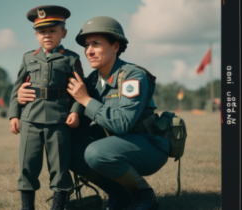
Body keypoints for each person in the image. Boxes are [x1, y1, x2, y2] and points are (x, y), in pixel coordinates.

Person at [17, 16, 169, 210]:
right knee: (65, 146)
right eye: (87, 45)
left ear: (115, 46)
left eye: (96, 44)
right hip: (116, 145)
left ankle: (144, 196)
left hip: (147, 145)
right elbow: (67, 110)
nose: (89, 51)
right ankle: (119, 193)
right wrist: (27, 96)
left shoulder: (132, 75)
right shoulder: (91, 81)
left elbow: (122, 124)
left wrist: (85, 99)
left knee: (96, 152)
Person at [8, 5, 84, 210]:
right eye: (42, 31)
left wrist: (76, 111)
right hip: (30, 119)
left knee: (59, 166)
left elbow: (80, 89)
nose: (47, 35)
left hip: (59, 119)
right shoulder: (28, 58)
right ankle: (27, 207)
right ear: (36, 34)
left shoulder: (71, 59)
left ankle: (58, 206)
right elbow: (17, 88)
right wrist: (14, 115)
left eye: (52, 30)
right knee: (27, 165)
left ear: (64, 33)